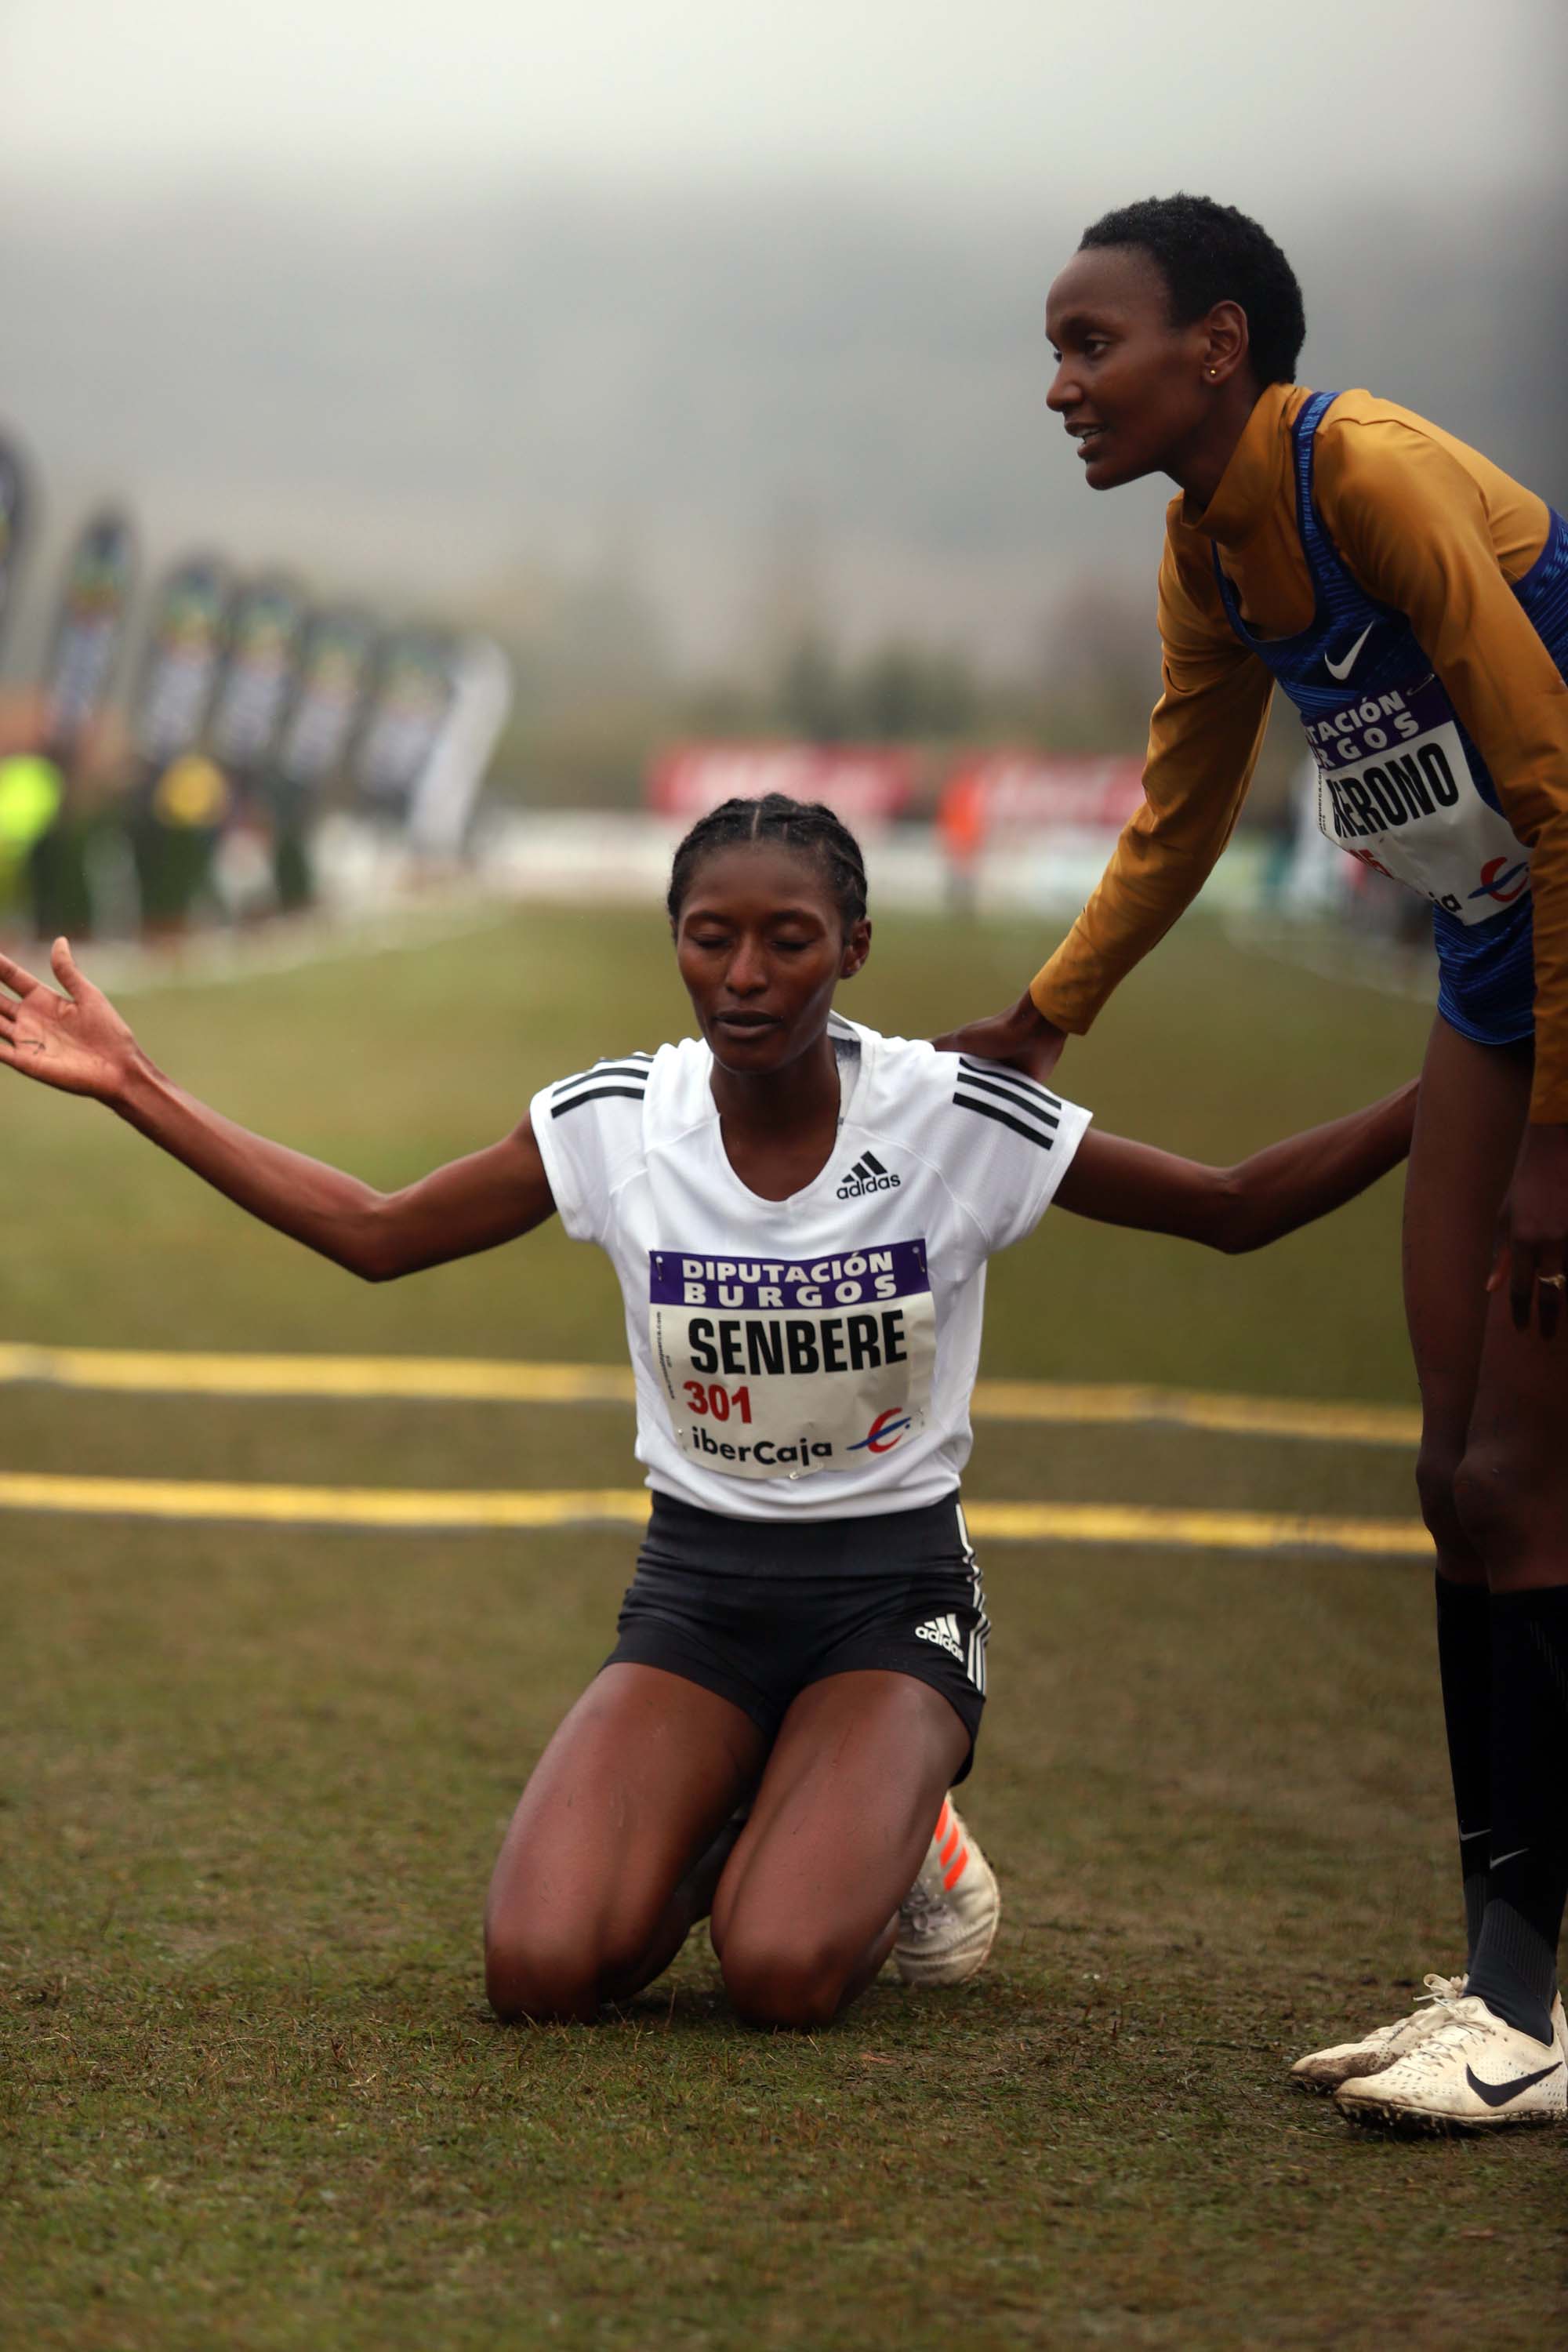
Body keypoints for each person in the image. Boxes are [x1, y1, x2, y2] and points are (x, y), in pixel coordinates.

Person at [0, 793, 1414, 2031]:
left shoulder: (949, 1116)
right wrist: (136, 1085)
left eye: (787, 938)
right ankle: (761, 1801)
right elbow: (377, 1232)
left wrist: (1466, 1068)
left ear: (852, 947)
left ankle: (904, 1829)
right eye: (709, 936)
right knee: (540, 1973)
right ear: (674, 940)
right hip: (696, 1600)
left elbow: (1236, 1213)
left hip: (890, 1605)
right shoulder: (620, 1118)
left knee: (780, 1976)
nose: (744, 976)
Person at [941, 193, 1568, 2132]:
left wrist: (1553, 1142)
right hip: (1489, 969)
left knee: (1522, 1475)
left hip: (1563, 975)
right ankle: (1495, 1976)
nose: (1060, 385)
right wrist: (1047, 1014)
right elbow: (1177, 814)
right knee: (1446, 1472)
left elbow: (1560, 794)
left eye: (1090, 344)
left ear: (1217, 344)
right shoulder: (1203, 552)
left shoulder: (1362, 476)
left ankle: (1530, 2021)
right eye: (1053, 349)